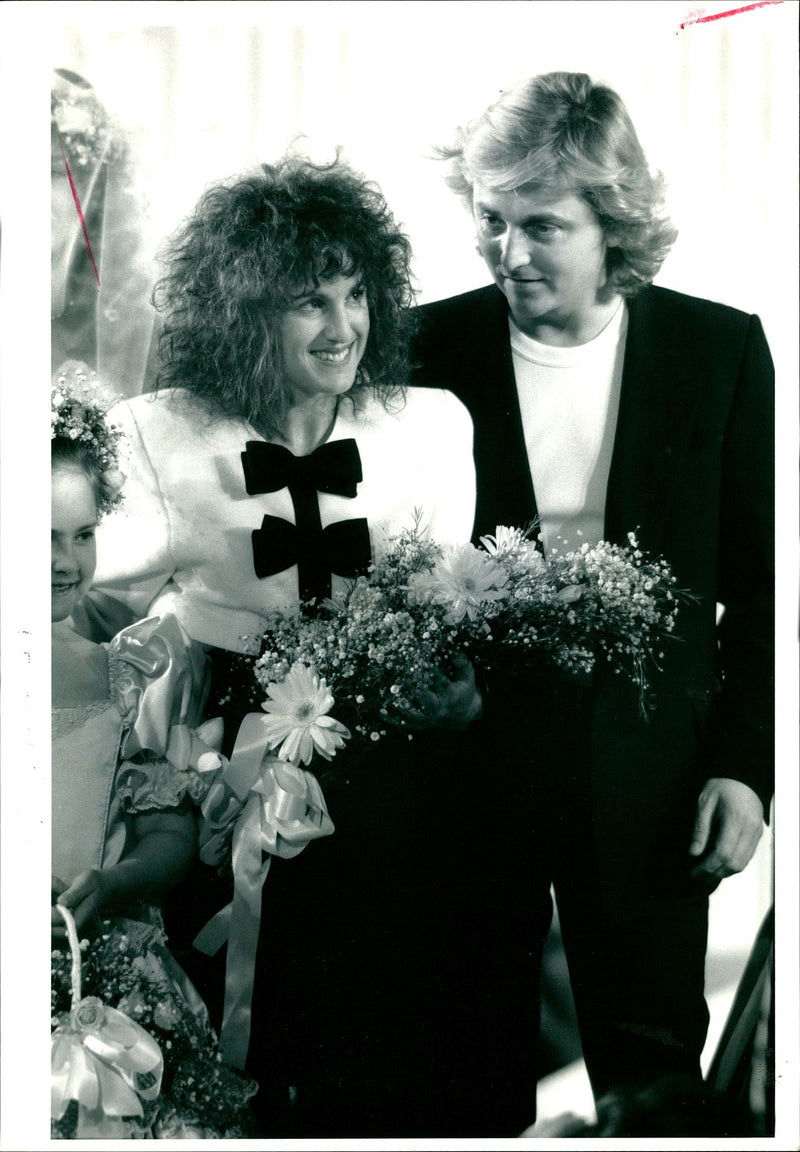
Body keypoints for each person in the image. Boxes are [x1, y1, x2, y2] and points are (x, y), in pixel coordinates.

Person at [409, 71, 774, 1132]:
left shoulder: (720, 349)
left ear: (611, 221)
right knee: (460, 1076)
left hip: (656, 785)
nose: (506, 252)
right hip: (469, 778)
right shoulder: (422, 349)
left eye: (540, 226)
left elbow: (765, 592)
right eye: (488, 220)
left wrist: (746, 772)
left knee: (651, 1091)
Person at [92, 157, 485, 1135]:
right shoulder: (157, 435)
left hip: (374, 753)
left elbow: (445, 617)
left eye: (356, 295)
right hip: (212, 752)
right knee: (221, 1000)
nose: (342, 325)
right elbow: (84, 603)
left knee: (370, 1028)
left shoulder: (430, 427)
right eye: (310, 300)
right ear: (240, 309)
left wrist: (447, 688)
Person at [50, 363, 257, 1137]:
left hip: (100, 969)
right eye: (39, 538)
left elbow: (167, 827)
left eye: (81, 536)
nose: (65, 562)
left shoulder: (119, 672)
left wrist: (119, 878)